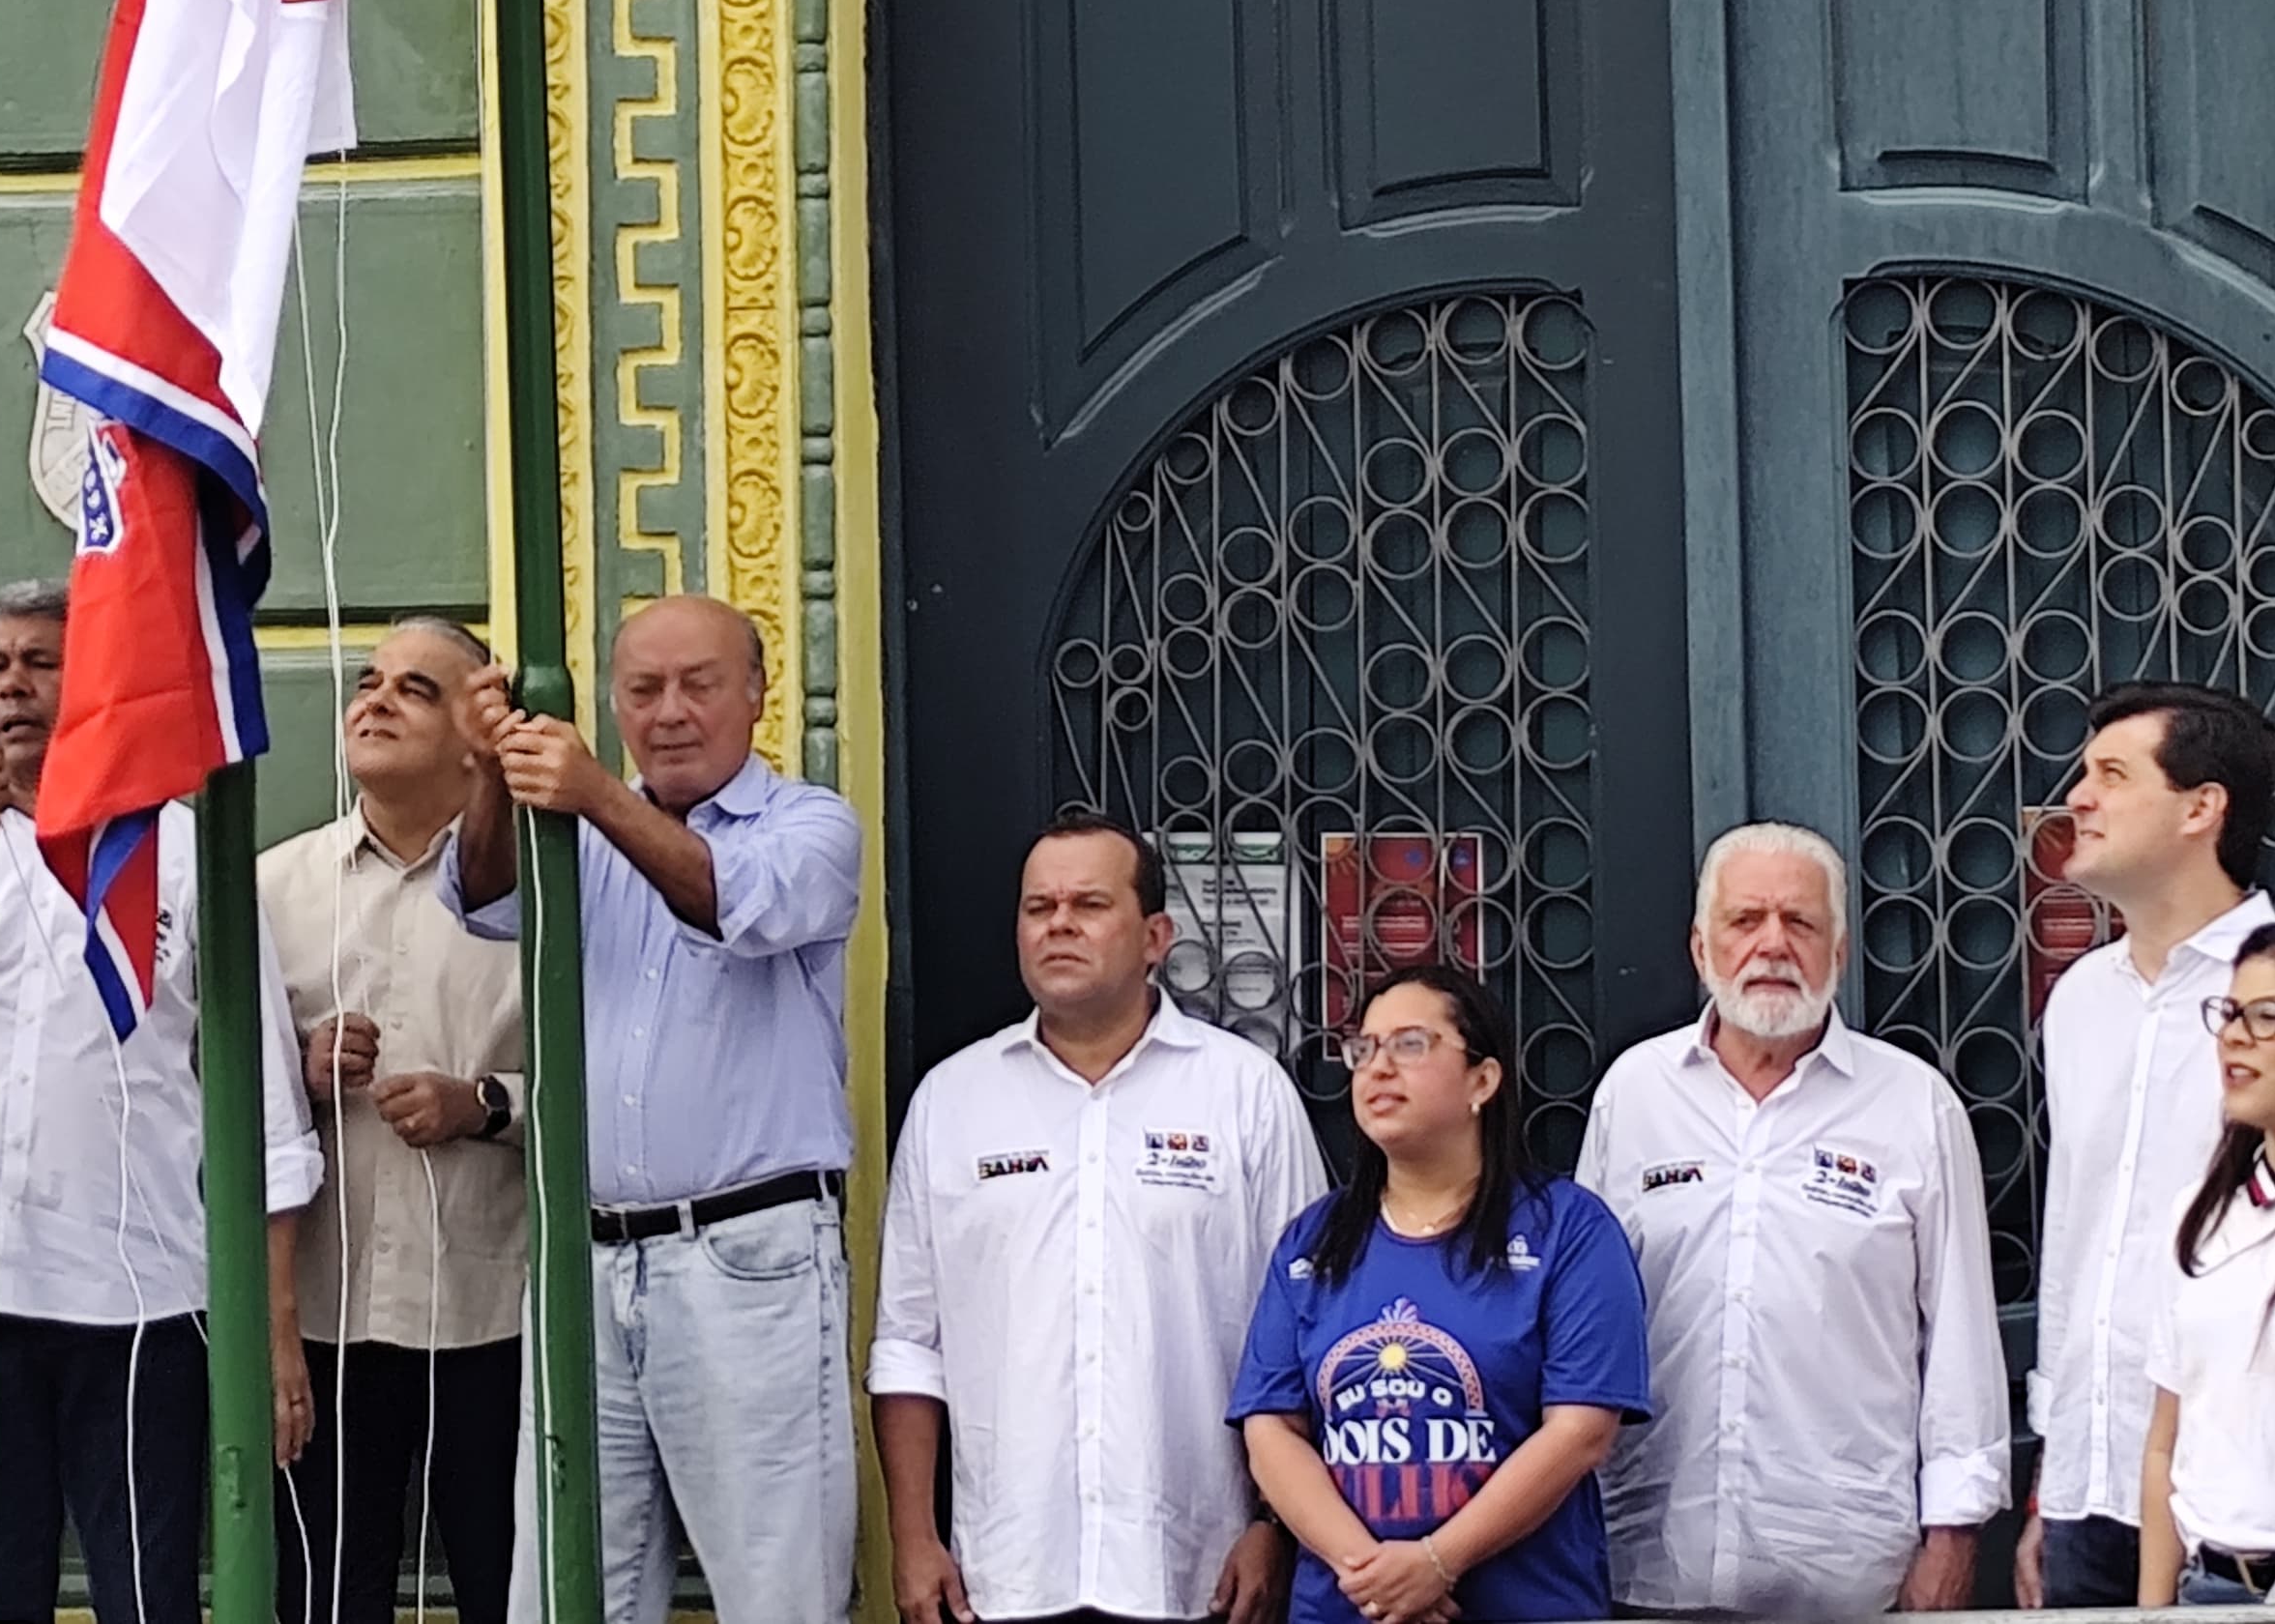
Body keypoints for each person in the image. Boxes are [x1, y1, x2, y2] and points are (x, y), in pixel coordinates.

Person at [0, 582, 327, 1624]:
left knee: (146, 1593)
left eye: (40, 663)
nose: (11, 686)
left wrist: (276, 1325)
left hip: (139, 1296)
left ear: (95, 680)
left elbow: (270, 1112)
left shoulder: (182, 851)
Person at [447, 591, 867, 1624]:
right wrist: (495, 770)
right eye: (642, 690)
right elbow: (484, 895)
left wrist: (593, 792)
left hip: (747, 1257)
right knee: (567, 1583)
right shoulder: (578, 831)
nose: (670, 712)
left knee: (776, 1588)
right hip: (587, 1259)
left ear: (758, 694)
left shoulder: (810, 824)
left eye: (698, 685)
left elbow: (733, 900)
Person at [874, 804, 1319, 1624]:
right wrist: (912, 1536)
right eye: (1039, 908)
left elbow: (1305, 1330)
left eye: (1089, 905)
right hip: (1006, 1572)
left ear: (1155, 937)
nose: (1059, 925)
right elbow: (907, 1344)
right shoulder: (952, 1101)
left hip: (1197, 1568)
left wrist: (1276, 1525)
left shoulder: (1245, 1093)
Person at [1578, 822, 2009, 1616]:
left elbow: (1960, 1339)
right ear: (1701, 949)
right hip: (1650, 1557)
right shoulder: (1632, 1095)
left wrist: (1953, 1535)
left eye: (1800, 923)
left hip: (1847, 1569)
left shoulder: (1913, 1104)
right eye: (1745, 920)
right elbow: (1585, 1324)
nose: (1772, 945)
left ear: (1838, 953)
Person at [1231, 965, 1651, 1624]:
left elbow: (1579, 1433)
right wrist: (1377, 1578)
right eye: (1364, 1049)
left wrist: (1438, 1561)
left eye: (1410, 1044)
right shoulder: (1313, 1240)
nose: (1378, 1068)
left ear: (1483, 1080)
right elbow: (1272, 1430)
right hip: (1346, 1607)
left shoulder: (1569, 1230)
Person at [262, 616, 530, 1624]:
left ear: (476, 739)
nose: (374, 700)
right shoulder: (272, 889)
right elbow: (200, 1089)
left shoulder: (544, 887)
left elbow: (613, 1084)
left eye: (415, 689)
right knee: (328, 1595)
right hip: (324, 1311)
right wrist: (298, 1068)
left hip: (492, 1309)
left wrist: (485, 1104)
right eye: (369, 681)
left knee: (509, 1589)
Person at [2027, 682, 2275, 1610]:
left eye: (2112, 774)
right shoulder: (2078, 1000)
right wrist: (2052, 1477)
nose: (2078, 798)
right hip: (2088, 1489)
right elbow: (2073, 1236)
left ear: (2200, 807)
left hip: (2245, 1505)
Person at [2141, 925, 2275, 1605]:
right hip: (2209, 1585)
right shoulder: (2199, 1214)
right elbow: (2166, 1441)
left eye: (2269, 1016)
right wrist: (2152, 1613)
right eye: (2229, 1013)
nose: (2235, 1037)